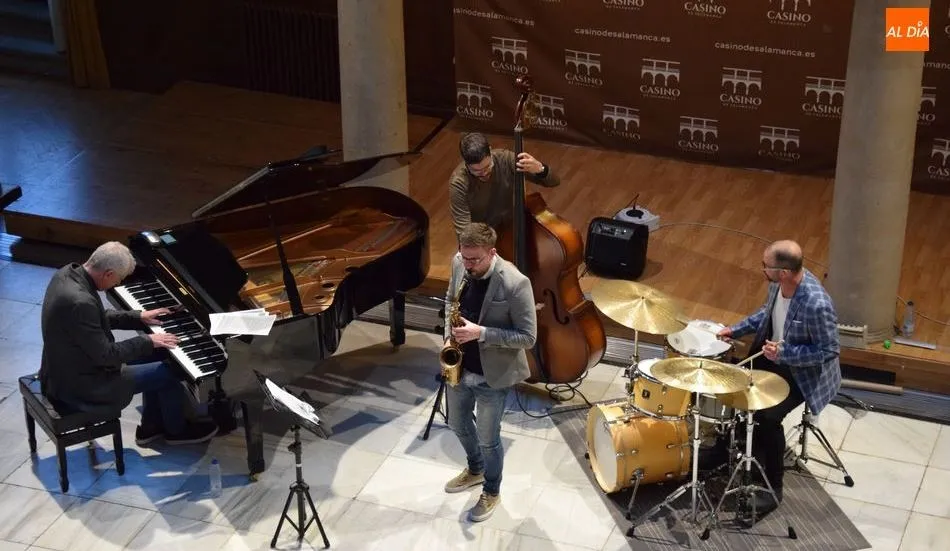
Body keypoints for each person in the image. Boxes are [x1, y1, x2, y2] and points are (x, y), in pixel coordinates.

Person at [39, 241, 218, 446]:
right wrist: (147, 340)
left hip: (68, 367)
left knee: (157, 354)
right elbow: (107, 355)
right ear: (108, 273)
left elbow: (95, 318)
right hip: (83, 385)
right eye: (119, 278)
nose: (117, 284)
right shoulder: (80, 302)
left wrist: (138, 316)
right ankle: (176, 431)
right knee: (172, 372)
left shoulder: (67, 274)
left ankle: (150, 427)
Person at [713, 239, 841, 519]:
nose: (763, 270)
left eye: (766, 266)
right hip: (773, 355)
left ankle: (772, 488)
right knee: (733, 385)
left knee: (768, 418)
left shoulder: (817, 304)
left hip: (801, 372)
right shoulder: (777, 284)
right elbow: (765, 313)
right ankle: (728, 451)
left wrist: (785, 353)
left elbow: (828, 351)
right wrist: (734, 330)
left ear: (783, 271)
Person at [441, 223, 538, 522]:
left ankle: (492, 490)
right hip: (461, 367)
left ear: (492, 253)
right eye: (464, 257)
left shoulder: (515, 283)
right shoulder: (460, 263)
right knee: (457, 424)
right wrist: (448, 337)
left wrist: (481, 333)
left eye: (475, 260)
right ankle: (475, 469)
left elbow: (527, 337)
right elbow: (449, 301)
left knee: (488, 438)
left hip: (491, 376)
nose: (467, 265)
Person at [449, 132, 561, 237]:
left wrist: (541, 169)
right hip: (483, 237)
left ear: (490, 151)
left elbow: (554, 181)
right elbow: (464, 231)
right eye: (477, 171)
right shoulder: (459, 183)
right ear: (465, 163)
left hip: (512, 224)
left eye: (487, 166)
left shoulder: (506, 159)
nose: (484, 173)